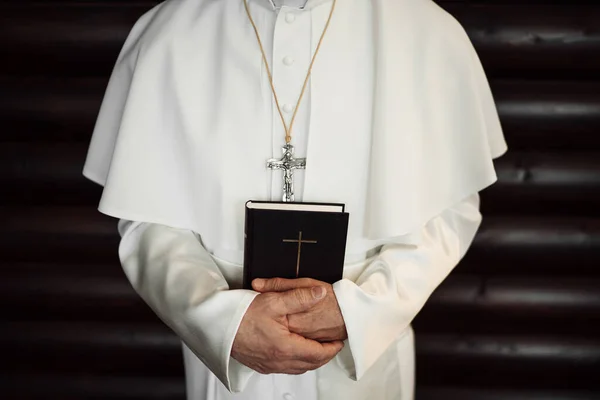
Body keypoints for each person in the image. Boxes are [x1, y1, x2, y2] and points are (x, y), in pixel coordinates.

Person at [83, 0, 508, 399]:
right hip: (230, 367)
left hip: (363, 365)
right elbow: (148, 217)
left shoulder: (425, 29)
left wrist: (362, 313)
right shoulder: (171, 29)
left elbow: (449, 209)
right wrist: (222, 323)